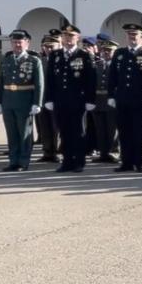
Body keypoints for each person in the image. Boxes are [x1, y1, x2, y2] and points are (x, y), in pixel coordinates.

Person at [44, 25, 97, 173]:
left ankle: (79, 162)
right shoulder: (55, 55)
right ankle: (67, 161)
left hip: (78, 100)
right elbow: (50, 79)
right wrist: (49, 98)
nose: (68, 39)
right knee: (64, 132)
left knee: (78, 132)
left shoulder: (85, 56)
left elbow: (90, 80)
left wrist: (90, 100)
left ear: (77, 38)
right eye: (66, 36)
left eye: (72, 36)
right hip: (60, 100)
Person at [107, 24, 142, 173]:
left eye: (135, 35)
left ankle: (140, 162)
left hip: (140, 101)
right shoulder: (120, 53)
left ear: (141, 37)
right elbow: (113, 77)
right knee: (124, 132)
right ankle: (126, 162)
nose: (132, 38)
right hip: (122, 100)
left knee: (140, 133)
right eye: (130, 35)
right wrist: (111, 95)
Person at [0, 30, 44, 172]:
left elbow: (39, 84)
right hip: (8, 100)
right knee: (11, 134)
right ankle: (13, 161)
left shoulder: (34, 61)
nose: (17, 45)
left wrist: (37, 103)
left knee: (24, 133)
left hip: (25, 101)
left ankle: (23, 162)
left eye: (20, 42)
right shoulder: (6, 59)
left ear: (27, 43)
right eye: (14, 42)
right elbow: (0, 82)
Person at [90, 39, 120, 164]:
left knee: (113, 129)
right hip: (98, 101)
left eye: (109, 50)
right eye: (104, 50)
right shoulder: (97, 64)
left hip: (111, 101)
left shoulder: (118, 65)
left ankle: (114, 152)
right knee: (100, 129)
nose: (106, 52)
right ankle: (103, 152)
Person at [35, 34, 61, 163]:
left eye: (51, 47)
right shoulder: (40, 61)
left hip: (57, 100)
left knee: (57, 128)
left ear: (58, 46)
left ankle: (57, 152)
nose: (48, 49)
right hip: (43, 99)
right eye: (46, 47)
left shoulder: (62, 60)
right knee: (45, 127)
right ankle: (47, 151)